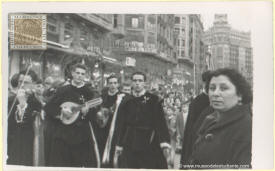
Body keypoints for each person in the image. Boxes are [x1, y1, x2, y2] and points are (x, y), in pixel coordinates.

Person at [184, 68, 252, 169]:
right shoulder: (209, 119)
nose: (215, 93)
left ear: (240, 95)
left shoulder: (247, 127)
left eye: (223, 88)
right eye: (212, 88)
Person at [44, 63, 99, 167]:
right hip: (62, 133)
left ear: (85, 75)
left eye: (82, 74)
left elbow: (94, 115)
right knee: (60, 163)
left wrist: (87, 111)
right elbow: (48, 107)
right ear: (72, 73)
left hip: (80, 135)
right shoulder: (63, 90)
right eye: (77, 73)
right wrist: (61, 112)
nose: (79, 75)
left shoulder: (89, 92)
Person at [115, 72, 171, 169]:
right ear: (132, 83)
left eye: (140, 81)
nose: (137, 83)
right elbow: (120, 124)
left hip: (149, 141)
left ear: (145, 83)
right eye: (135, 80)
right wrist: (119, 144)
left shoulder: (153, 100)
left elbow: (160, 122)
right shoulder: (126, 101)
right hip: (130, 142)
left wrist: (164, 142)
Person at [7, 69, 42, 166]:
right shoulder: (9, 100)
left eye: (26, 82)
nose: (22, 85)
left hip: (27, 144)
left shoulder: (36, 103)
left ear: (33, 84)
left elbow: (27, 123)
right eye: (20, 81)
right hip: (10, 142)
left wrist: (22, 104)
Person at [92, 75, 127, 168]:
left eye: (115, 83)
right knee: (101, 148)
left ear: (118, 84)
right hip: (102, 127)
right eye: (111, 83)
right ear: (107, 84)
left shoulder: (121, 97)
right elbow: (95, 109)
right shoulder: (102, 96)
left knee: (112, 150)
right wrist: (100, 114)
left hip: (115, 127)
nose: (113, 85)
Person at [180, 70, 212, 167]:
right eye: (208, 82)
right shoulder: (196, 102)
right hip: (199, 146)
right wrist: (185, 159)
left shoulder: (220, 100)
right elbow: (189, 130)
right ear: (204, 83)